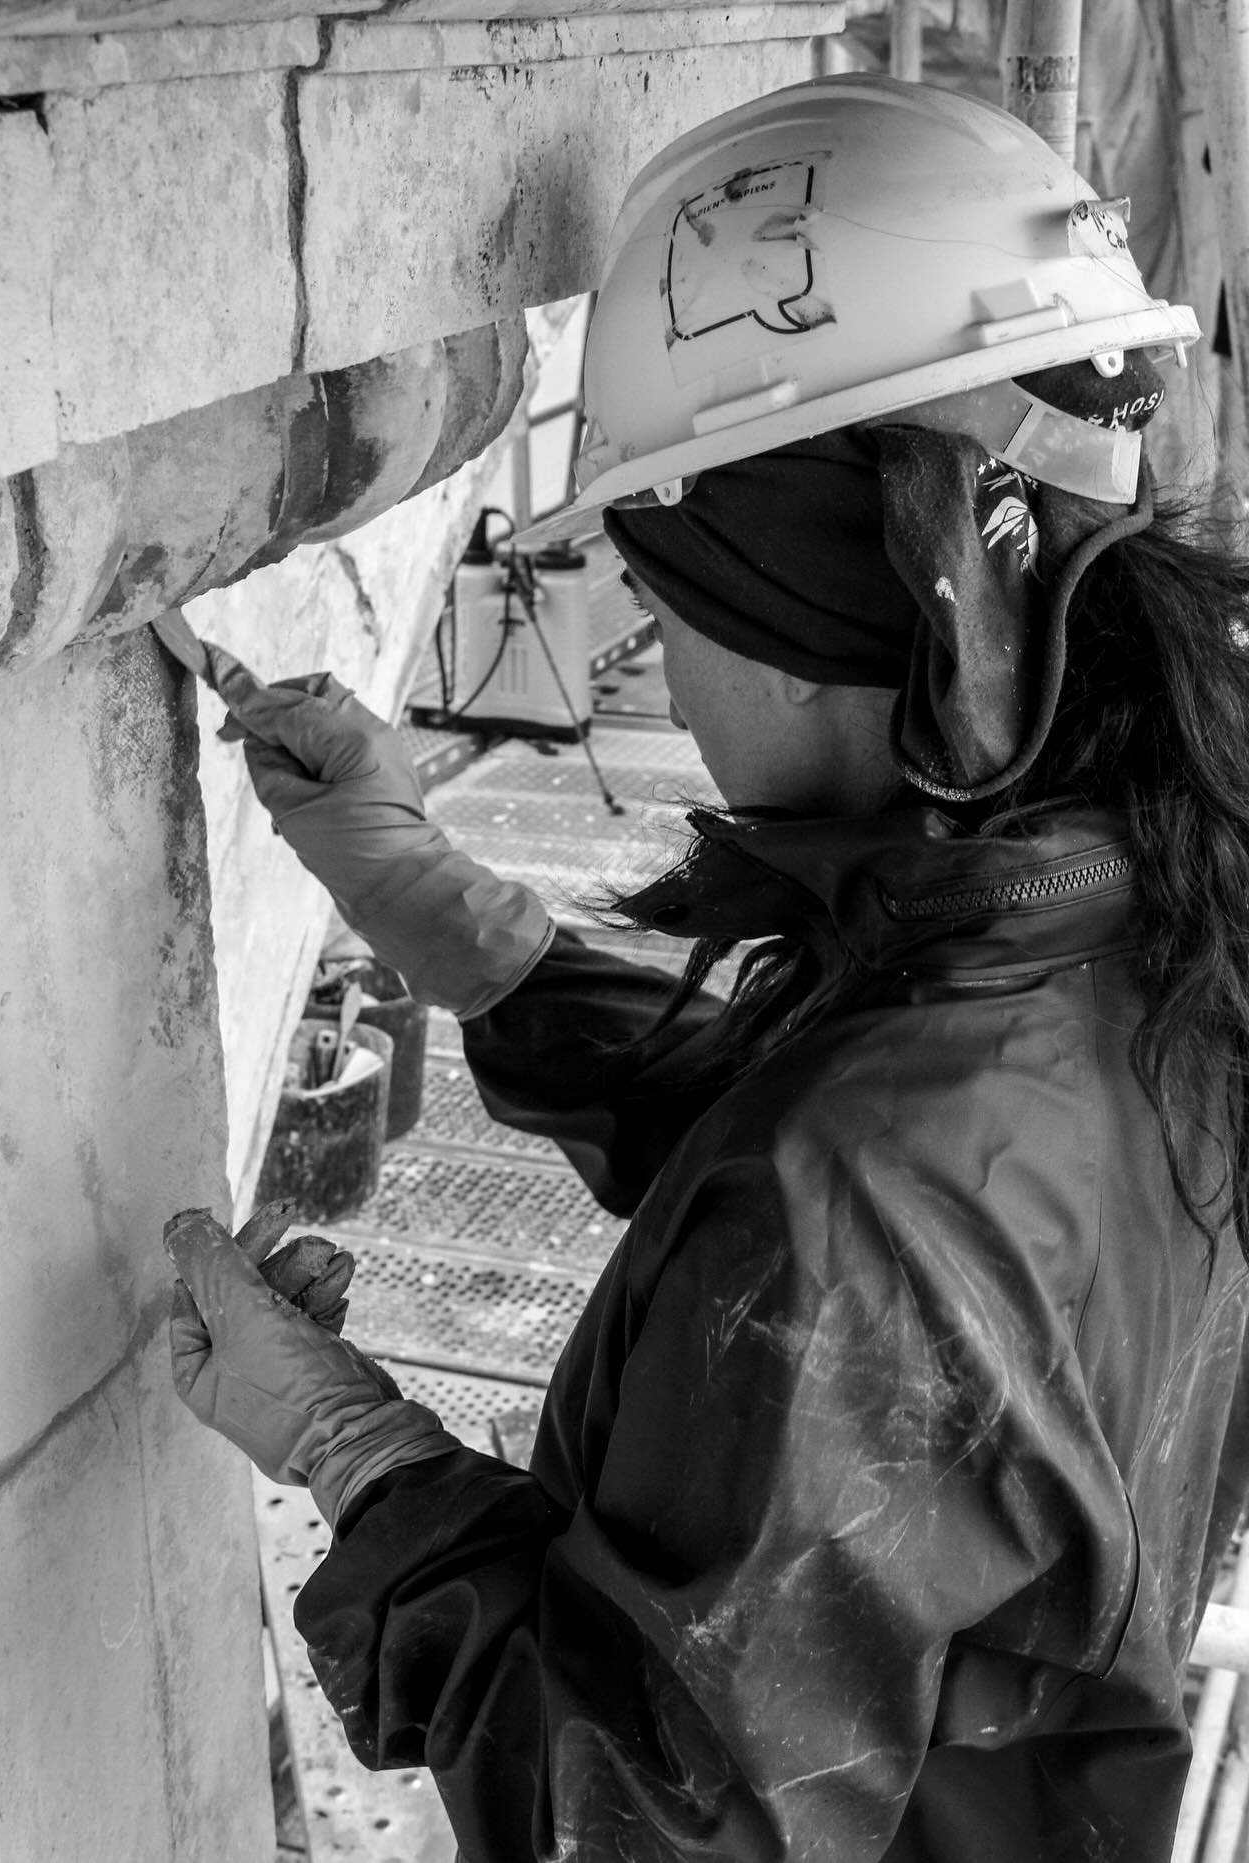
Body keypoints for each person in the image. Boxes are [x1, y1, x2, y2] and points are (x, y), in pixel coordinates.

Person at [162, 74, 1249, 1861]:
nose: (662, 672)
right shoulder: (1149, 910)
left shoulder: (870, 1185)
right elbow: (865, 1189)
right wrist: (436, 901)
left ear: (814, 619)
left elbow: (631, 1822)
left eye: (672, 613)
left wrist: (364, 1460)